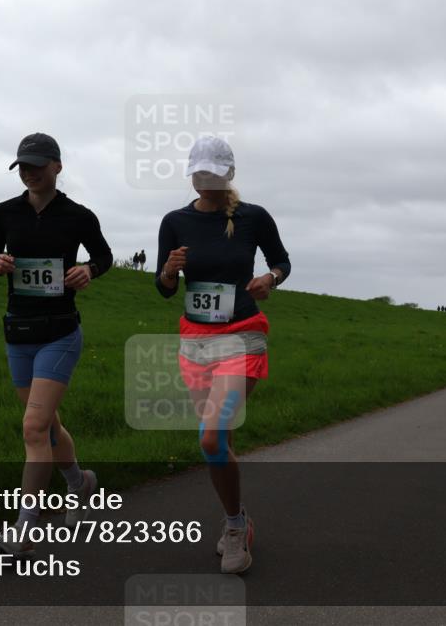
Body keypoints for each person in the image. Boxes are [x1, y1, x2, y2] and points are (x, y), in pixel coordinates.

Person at [154, 135, 290, 574]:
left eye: (213, 172)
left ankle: (233, 527)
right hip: (195, 341)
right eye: (199, 172)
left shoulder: (253, 217)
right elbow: (163, 288)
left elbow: (282, 261)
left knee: (211, 437)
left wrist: (270, 277)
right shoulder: (174, 221)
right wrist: (169, 272)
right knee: (217, 444)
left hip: (243, 335)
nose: (205, 180)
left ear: (228, 173)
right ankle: (240, 519)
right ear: (191, 174)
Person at [0, 132, 112, 557]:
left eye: (38, 164)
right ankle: (80, 482)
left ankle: (23, 529)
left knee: (34, 427)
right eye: (23, 165)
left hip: (60, 332)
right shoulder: (5, 213)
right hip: (19, 332)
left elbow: (105, 256)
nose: (30, 172)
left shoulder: (78, 216)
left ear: (57, 166)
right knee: (49, 425)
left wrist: (88, 269)